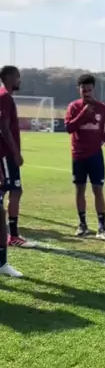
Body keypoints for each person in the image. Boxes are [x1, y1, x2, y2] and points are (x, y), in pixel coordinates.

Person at [65, 73, 105, 240]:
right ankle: (82, 224)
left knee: (98, 189)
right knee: (80, 189)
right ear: (79, 90)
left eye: (89, 90)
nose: (87, 93)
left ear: (94, 90)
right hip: (78, 155)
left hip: (95, 155)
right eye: (83, 90)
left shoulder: (101, 108)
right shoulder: (73, 107)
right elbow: (69, 128)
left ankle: (102, 226)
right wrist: (82, 114)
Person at [0, 65, 36, 249]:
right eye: (17, 77)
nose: (19, 80)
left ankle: (10, 234)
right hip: (5, 154)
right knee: (12, 191)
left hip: (5, 154)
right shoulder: (4, 97)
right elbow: (3, 128)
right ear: (9, 77)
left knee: (13, 191)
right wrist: (16, 153)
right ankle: (12, 235)